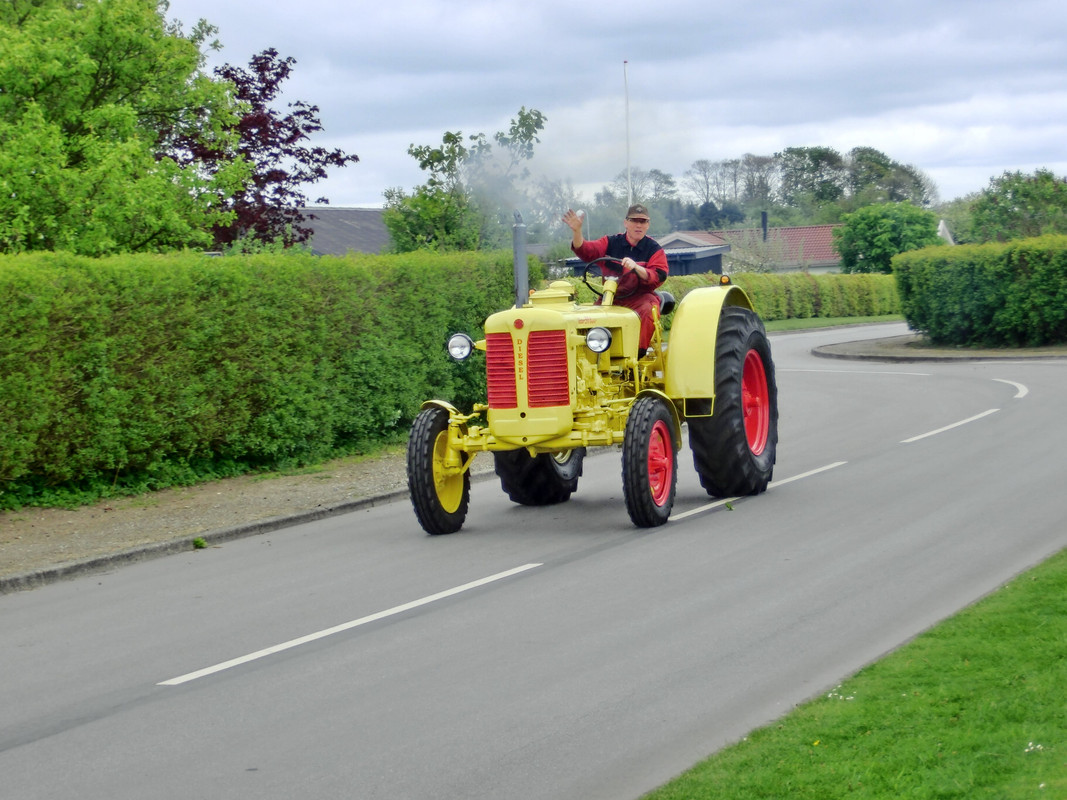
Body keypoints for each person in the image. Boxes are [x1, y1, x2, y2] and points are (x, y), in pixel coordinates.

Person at [562, 203, 669, 350]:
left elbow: (659, 275)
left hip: (639, 298)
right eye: (634, 221)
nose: (639, 225)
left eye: (643, 221)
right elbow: (586, 251)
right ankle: (590, 353)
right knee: (588, 319)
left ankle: (636, 354)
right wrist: (577, 231)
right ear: (626, 223)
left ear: (648, 225)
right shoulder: (610, 242)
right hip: (610, 298)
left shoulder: (654, 249)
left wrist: (637, 267)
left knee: (648, 309)